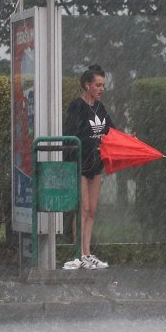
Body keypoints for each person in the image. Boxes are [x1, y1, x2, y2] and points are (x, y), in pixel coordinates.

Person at [63, 65, 115, 270]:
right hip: (79, 164)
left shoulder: (100, 108)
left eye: (103, 85)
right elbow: (73, 133)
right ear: (87, 85)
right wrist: (88, 146)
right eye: (98, 85)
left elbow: (112, 130)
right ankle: (79, 254)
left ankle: (87, 252)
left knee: (92, 210)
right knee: (82, 209)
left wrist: (128, 141)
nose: (101, 89)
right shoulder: (76, 106)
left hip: (96, 164)